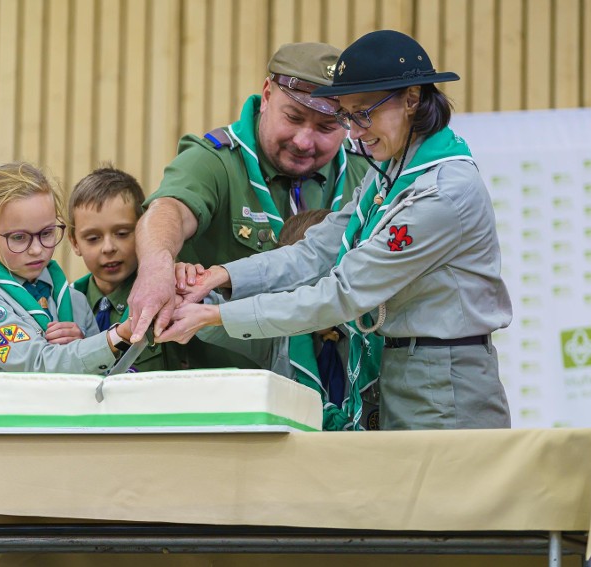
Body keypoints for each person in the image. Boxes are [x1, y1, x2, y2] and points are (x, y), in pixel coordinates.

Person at [159, 30, 512, 431]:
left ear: (412, 99)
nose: (356, 132)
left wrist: (217, 317)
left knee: (447, 493)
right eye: (348, 116)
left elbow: (341, 293)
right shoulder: (391, 173)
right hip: (402, 367)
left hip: (446, 380)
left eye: (364, 113)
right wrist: (221, 277)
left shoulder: (441, 192)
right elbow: (316, 251)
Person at [128, 42, 371, 370]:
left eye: (326, 128)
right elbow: (168, 209)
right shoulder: (216, 160)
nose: (303, 140)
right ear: (268, 94)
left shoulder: (367, 174)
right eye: (293, 117)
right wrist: (156, 266)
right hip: (222, 385)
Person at [188, 208, 380, 430]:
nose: (304, 297)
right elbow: (212, 322)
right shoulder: (279, 336)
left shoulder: (375, 330)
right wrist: (190, 286)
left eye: (316, 284)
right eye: (292, 289)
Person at [0, 162, 136, 374]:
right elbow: (35, 363)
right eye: (19, 238)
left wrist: (84, 346)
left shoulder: (74, 300)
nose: (37, 250)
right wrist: (118, 336)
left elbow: (101, 384)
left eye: (47, 233)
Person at [68, 165, 180, 371]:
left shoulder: (166, 296)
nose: (108, 248)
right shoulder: (65, 304)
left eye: (122, 233)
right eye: (93, 238)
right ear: (74, 242)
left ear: (143, 230)